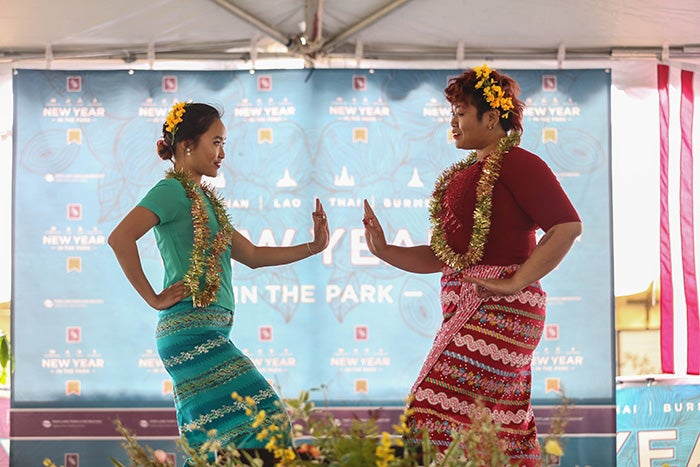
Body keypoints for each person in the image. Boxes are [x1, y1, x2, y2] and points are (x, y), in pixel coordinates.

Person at [362, 65, 582, 466]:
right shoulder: (466, 175)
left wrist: (516, 280)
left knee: (431, 413)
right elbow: (443, 256)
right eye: (453, 114)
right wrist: (384, 249)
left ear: (492, 117)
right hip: (470, 305)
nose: (453, 122)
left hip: (498, 309)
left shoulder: (518, 163)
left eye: (461, 113)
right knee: (499, 431)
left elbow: (566, 226)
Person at [108, 102, 330, 464]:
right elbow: (120, 237)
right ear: (187, 145)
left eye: (224, 143)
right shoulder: (171, 192)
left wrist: (315, 246)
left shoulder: (205, 200)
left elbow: (254, 255)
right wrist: (152, 296)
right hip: (191, 331)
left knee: (219, 435)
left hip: (212, 329)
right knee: (266, 417)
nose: (222, 153)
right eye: (216, 142)